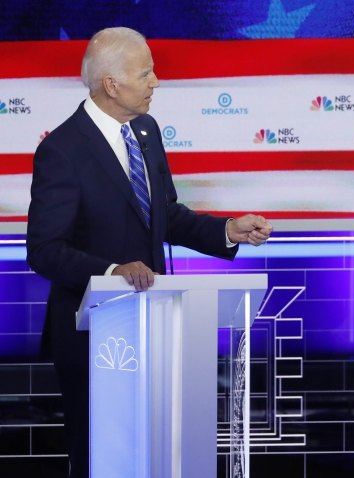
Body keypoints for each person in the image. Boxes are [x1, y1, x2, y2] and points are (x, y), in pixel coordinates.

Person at [26, 27, 273, 477]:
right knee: (101, 457)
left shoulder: (145, 130)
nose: (156, 82)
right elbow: (44, 250)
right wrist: (111, 271)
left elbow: (164, 214)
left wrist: (228, 231)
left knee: (155, 454)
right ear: (111, 84)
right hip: (92, 336)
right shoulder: (61, 150)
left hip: (155, 323)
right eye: (146, 73)